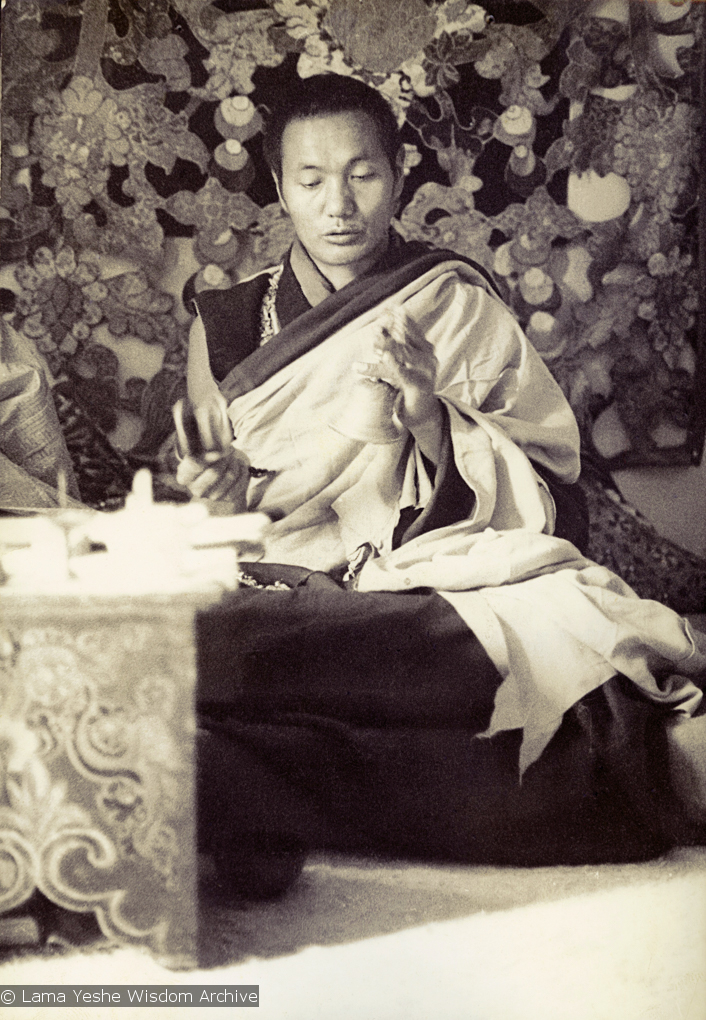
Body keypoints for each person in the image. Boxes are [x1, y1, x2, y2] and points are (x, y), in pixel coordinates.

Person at [177, 75, 706, 900]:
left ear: (399, 174)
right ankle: (252, 778)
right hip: (282, 582)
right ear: (280, 189)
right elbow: (219, 516)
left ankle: (237, 780)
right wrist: (214, 492)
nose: (339, 205)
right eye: (311, 182)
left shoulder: (454, 301)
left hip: (434, 573)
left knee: (573, 622)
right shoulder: (224, 325)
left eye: (363, 174)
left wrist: (431, 416)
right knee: (209, 623)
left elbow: (553, 495)